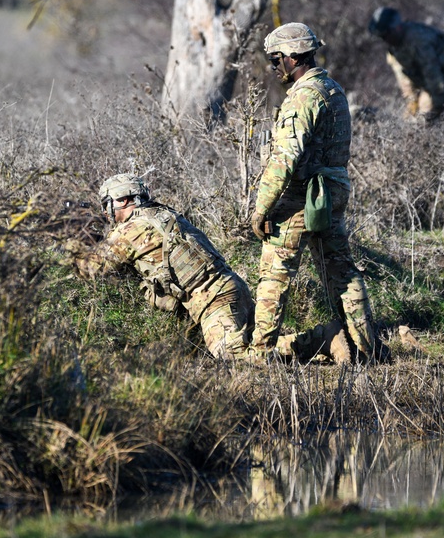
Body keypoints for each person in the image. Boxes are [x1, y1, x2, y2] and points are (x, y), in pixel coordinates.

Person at [249, 22, 388, 364]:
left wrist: (261, 209)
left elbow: (284, 158)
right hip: (332, 192)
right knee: (342, 273)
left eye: (276, 58)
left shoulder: (304, 96)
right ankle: (369, 350)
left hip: (302, 196)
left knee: (274, 275)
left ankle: (259, 354)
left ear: (293, 57)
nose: (274, 67)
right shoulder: (333, 89)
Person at [69, 174, 253, 359]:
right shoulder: (163, 214)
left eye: (106, 204)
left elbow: (89, 268)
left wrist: (72, 239)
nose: (105, 212)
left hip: (214, 300)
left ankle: (281, 350)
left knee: (234, 356)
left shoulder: (130, 230)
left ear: (122, 200)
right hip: (232, 287)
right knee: (246, 346)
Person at [368, 6, 444, 123]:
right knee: (419, 117)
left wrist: (436, 106)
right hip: (435, 80)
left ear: (397, 28)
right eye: (382, 37)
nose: (385, 39)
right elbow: (405, 81)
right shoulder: (394, 50)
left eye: (386, 34)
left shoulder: (417, 39)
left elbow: (432, 73)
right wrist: (412, 107)